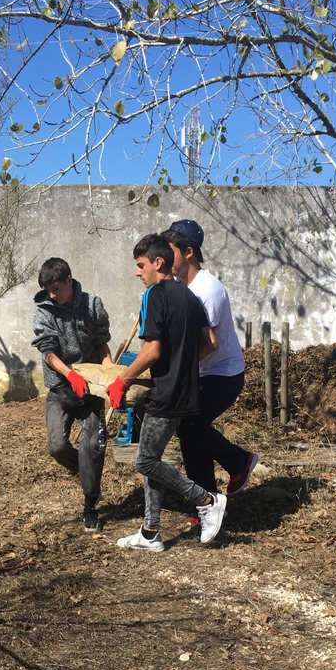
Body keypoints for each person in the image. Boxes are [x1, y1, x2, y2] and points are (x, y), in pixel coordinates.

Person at [105, 234, 227, 551]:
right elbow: (211, 342)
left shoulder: (154, 295)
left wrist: (123, 381)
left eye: (140, 264)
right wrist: (183, 366)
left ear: (158, 263)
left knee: (145, 462)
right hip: (188, 391)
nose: (137, 272)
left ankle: (206, 499)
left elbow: (151, 351)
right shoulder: (189, 296)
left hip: (166, 394)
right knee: (152, 458)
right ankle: (150, 533)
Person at [162, 220, 258, 515]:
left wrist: (177, 371)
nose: (164, 260)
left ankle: (239, 461)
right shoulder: (179, 286)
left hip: (223, 374)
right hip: (201, 372)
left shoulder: (208, 290)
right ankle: (206, 504)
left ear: (188, 252)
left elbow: (210, 343)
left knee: (190, 425)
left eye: (170, 252)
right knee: (191, 430)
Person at [32, 257, 112, 534]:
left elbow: (102, 344)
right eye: (48, 290)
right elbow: (49, 353)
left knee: (92, 447)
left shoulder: (92, 305)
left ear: (69, 280)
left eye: (57, 288)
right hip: (60, 386)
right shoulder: (44, 311)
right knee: (57, 446)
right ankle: (86, 472)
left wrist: (110, 378)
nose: (53, 294)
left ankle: (90, 506)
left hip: (91, 388)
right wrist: (71, 375)